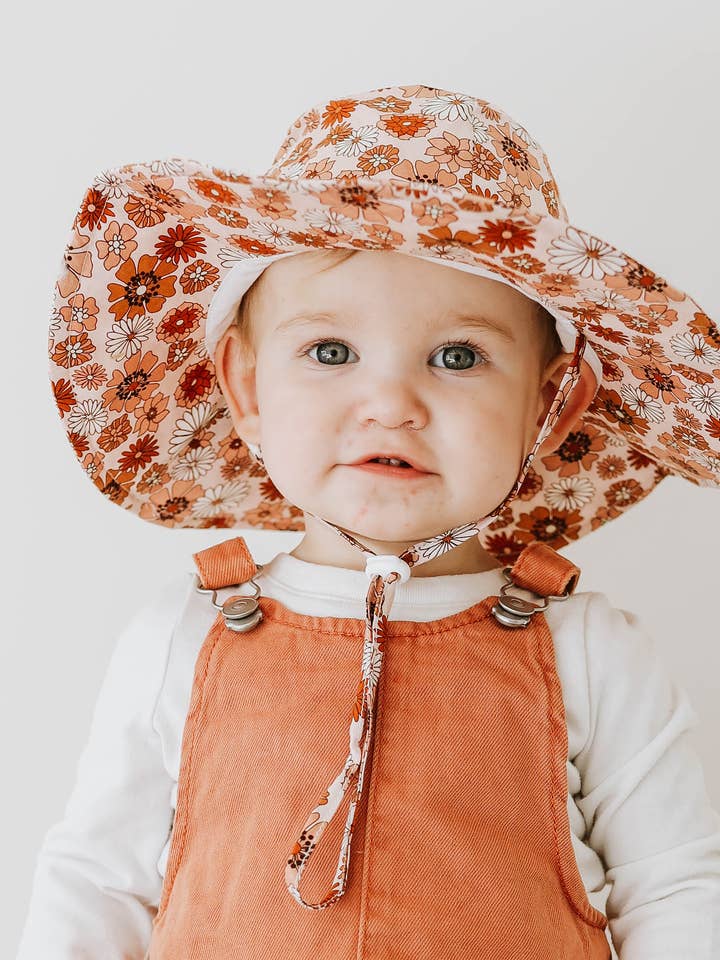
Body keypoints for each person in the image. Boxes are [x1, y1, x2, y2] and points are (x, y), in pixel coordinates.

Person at [17, 82, 720, 958]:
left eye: (457, 357)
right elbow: (97, 884)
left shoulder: (589, 649)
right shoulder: (182, 636)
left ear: (545, 409)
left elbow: (677, 890)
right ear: (246, 390)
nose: (390, 403)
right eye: (331, 351)